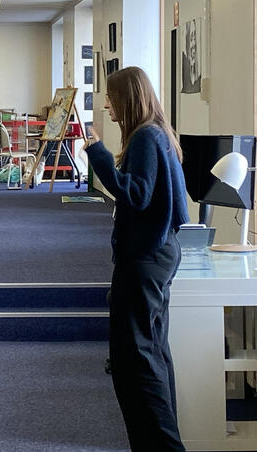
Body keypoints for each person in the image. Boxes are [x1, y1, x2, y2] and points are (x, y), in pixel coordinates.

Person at [84, 66, 188, 452]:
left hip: (145, 256)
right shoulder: (158, 133)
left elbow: (136, 195)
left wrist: (98, 154)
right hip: (157, 253)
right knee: (152, 353)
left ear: (128, 98)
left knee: (136, 361)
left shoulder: (146, 136)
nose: (106, 104)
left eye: (111, 97)